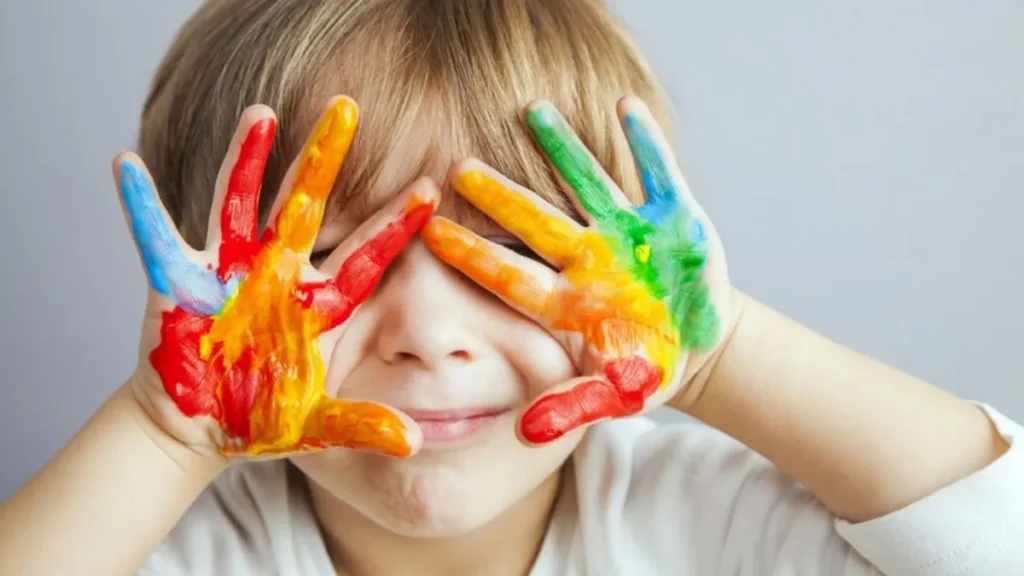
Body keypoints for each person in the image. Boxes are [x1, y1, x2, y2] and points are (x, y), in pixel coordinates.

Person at [1, 0, 1022, 574]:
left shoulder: (713, 524)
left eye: (509, 258)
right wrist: (163, 435)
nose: (427, 333)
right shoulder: (157, 550)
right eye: (327, 261)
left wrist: (721, 356)